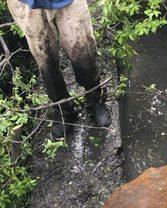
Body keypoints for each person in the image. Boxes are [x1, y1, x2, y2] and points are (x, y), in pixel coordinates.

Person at [7, 0, 111, 138]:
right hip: (26, 4)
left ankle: (95, 98)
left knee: (82, 47)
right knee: (44, 57)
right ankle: (63, 110)